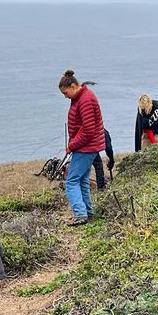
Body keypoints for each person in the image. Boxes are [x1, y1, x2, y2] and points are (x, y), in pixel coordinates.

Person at [59, 70, 105, 226]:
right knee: (83, 180)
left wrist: (72, 145)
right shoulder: (81, 97)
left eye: (66, 93)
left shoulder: (85, 99)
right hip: (87, 146)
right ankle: (87, 213)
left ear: (73, 86)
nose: (65, 96)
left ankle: (80, 214)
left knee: (71, 181)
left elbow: (88, 130)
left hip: (86, 147)